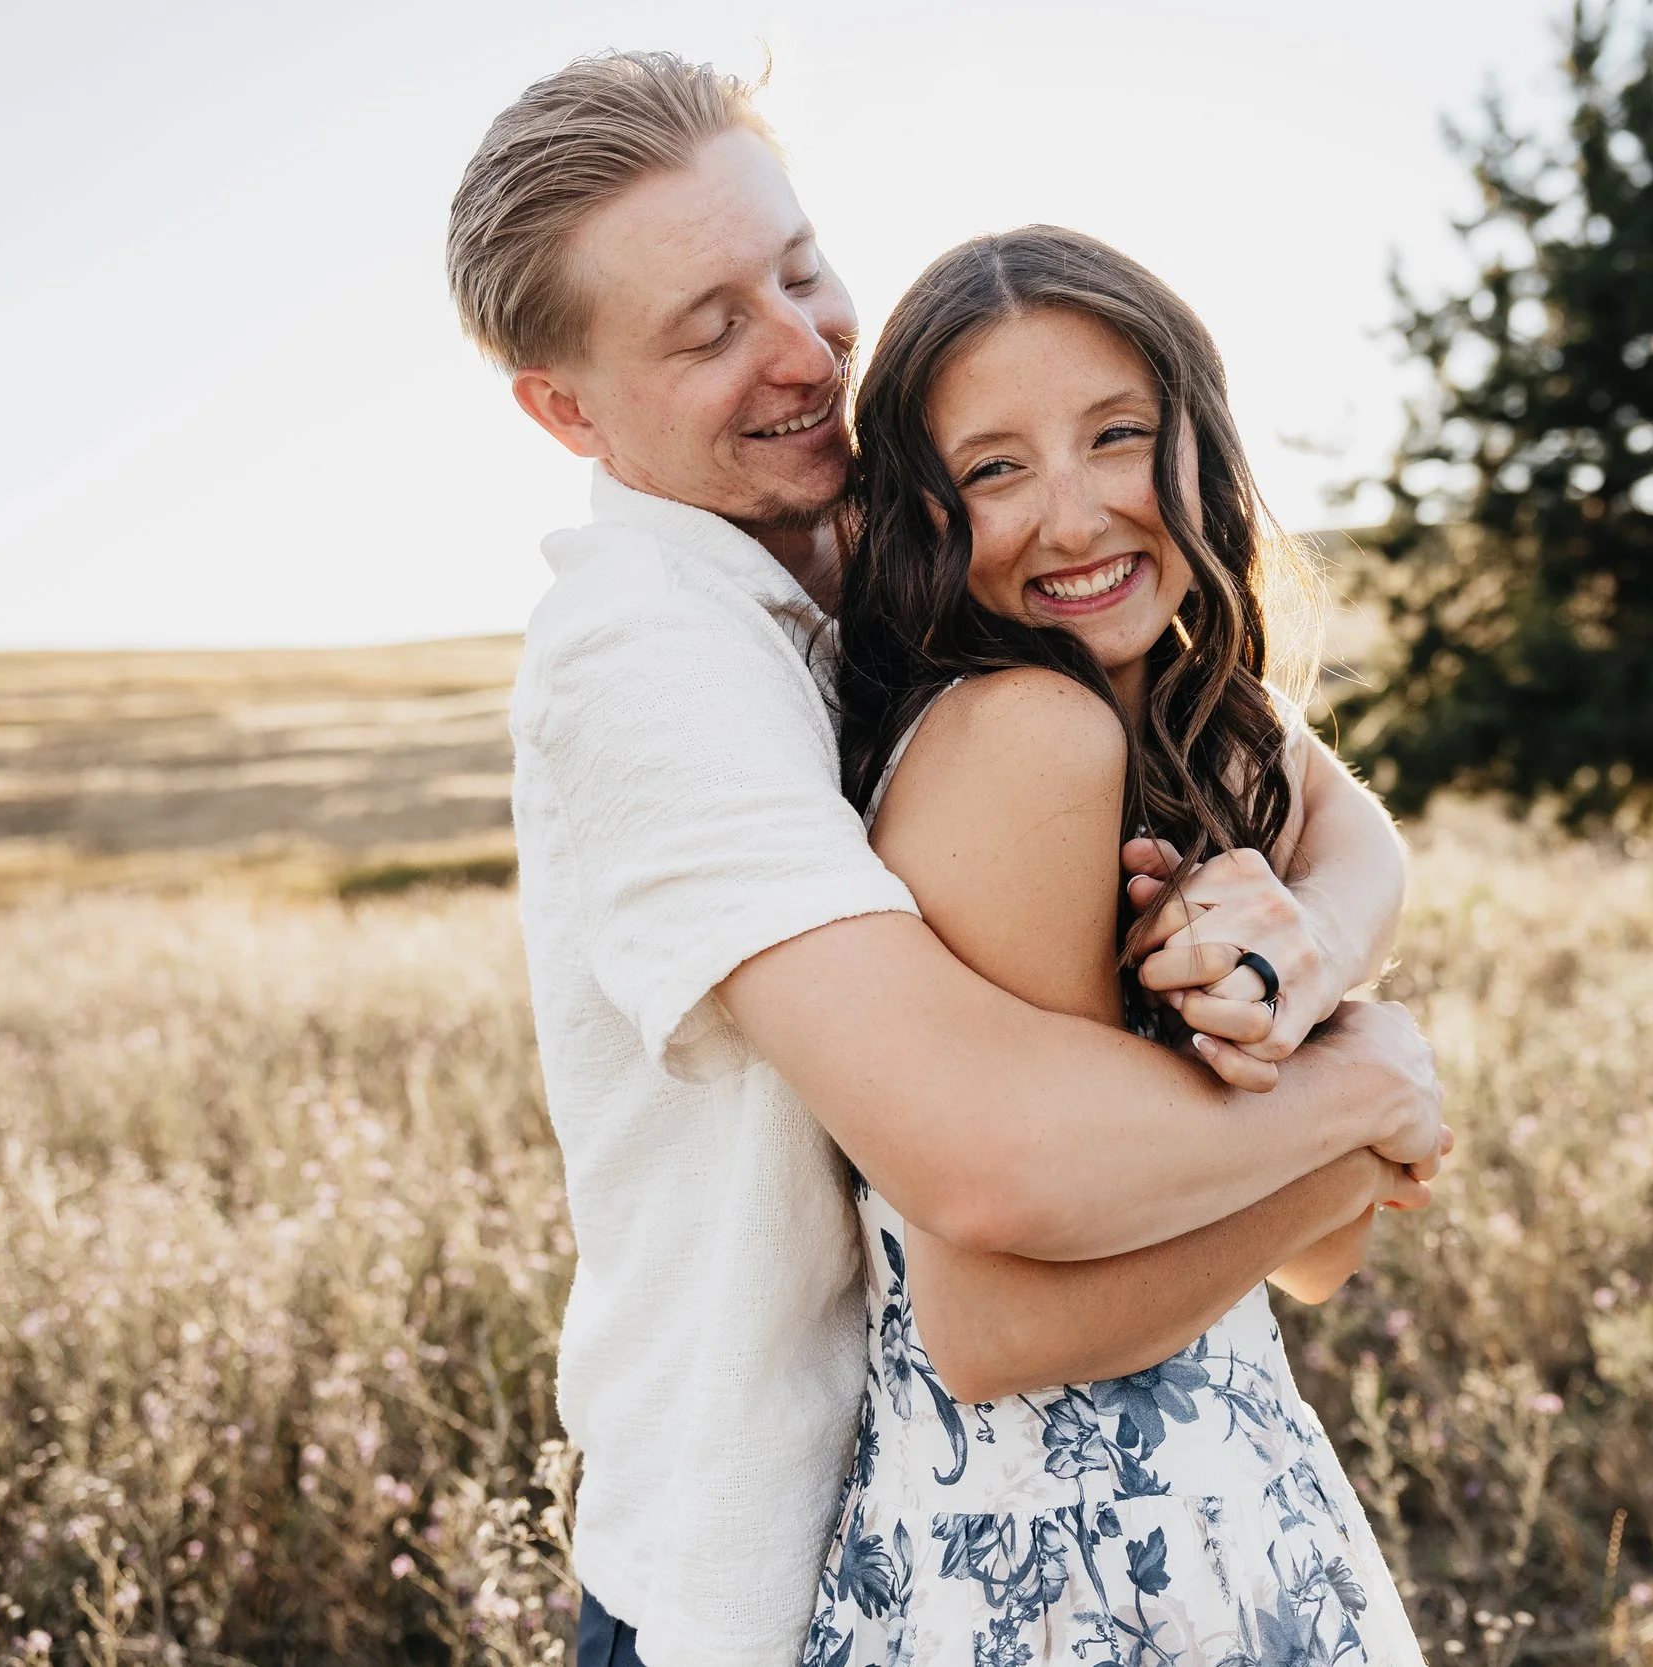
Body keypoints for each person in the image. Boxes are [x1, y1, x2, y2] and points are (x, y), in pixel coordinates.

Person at [444, 51, 1449, 1667]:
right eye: (709, 330)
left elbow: (1325, 801)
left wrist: (1306, 950)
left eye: (799, 270)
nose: (804, 352)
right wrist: (1361, 1093)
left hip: (1110, 1518)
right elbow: (987, 1180)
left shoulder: (911, 564)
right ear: (568, 408)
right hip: (759, 1584)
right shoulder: (647, 654)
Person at [805, 228, 1429, 1666]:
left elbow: (1317, 1261)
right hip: (1055, 1578)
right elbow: (995, 1334)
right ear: (921, 513)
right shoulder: (1026, 739)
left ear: (1200, 441)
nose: (1076, 517)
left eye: (1117, 436)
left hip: (1244, 1531)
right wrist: (1360, 1108)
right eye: (995, 468)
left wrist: (1309, 1000)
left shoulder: (1202, 731)